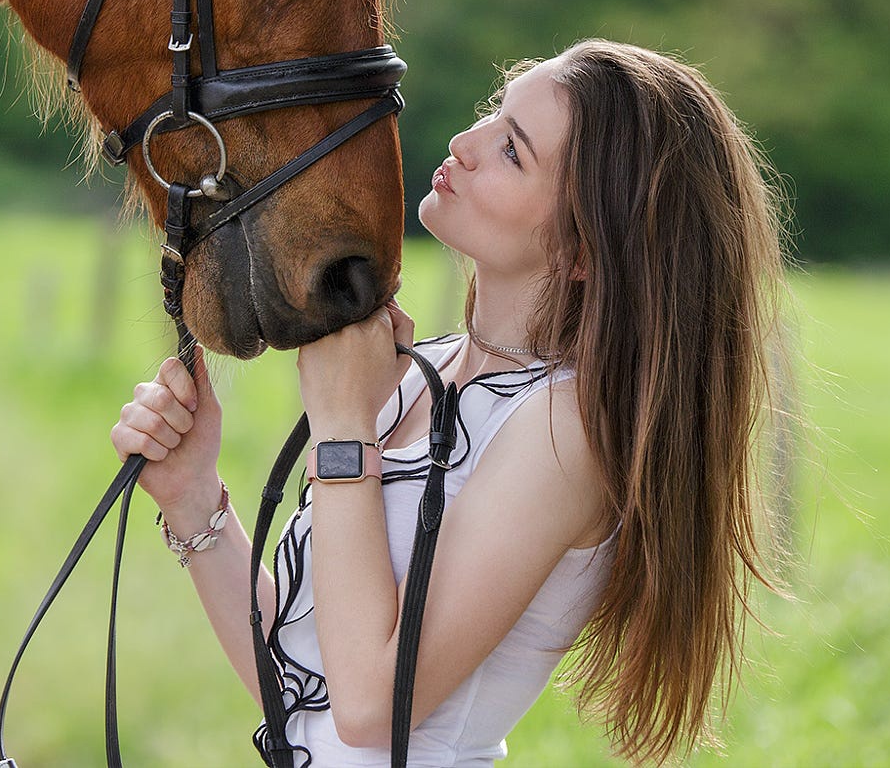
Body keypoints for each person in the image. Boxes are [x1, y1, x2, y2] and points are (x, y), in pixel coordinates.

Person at [111, 39, 792, 766]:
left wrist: (342, 428)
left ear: (583, 249)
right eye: (492, 116)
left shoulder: (566, 431)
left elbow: (374, 705)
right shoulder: (420, 368)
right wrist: (194, 501)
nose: (463, 144)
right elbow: (302, 682)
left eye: (511, 151)